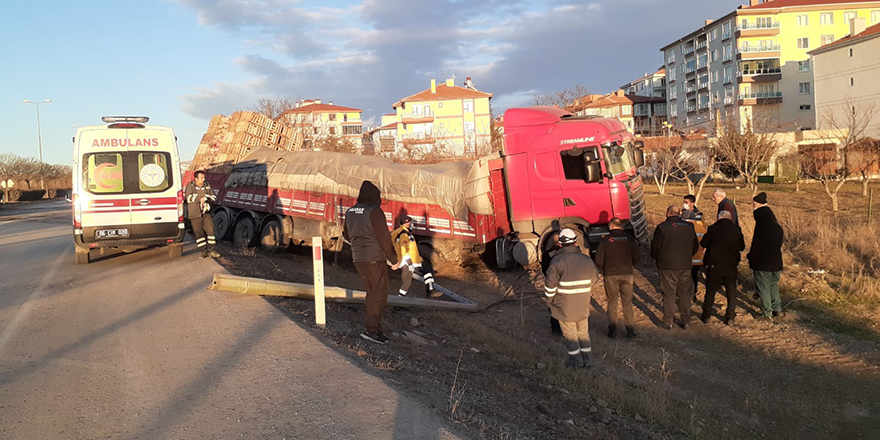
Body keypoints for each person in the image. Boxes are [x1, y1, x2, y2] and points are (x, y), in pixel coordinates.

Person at [343, 181, 399, 344]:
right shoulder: (374, 212)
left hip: (359, 259)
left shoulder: (350, 212)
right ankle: (372, 331)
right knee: (378, 294)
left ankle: (373, 328)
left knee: (372, 292)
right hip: (374, 258)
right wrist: (393, 259)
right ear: (375, 196)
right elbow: (384, 239)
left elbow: (347, 235)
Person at [543, 229, 599, 369]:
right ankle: (588, 361)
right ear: (575, 242)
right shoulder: (586, 259)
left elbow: (550, 287)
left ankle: (576, 362)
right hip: (583, 304)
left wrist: (550, 302)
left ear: (561, 244)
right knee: (583, 334)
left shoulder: (556, 261)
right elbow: (594, 279)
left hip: (564, 307)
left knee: (570, 336)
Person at [650, 205, 699, 329]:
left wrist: (657, 258)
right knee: (684, 294)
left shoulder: (662, 227)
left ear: (668, 213)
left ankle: (668, 321)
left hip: (667, 265)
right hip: (685, 265)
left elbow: (655, 247)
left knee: (669, 294)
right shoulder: (689, 227)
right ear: (679, 213)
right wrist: (688, 256)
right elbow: (695, 246)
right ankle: (686, 320)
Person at [595, 218, 640, 339]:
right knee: (627, 303)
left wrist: (605, 267)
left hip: (610, 274)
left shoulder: (604, 241)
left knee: (612, 303)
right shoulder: (630, 239)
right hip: (627, 273)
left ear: (610, 227)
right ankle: (630, 330)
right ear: (622, 227)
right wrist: (631, 265)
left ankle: (612, 330)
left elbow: (598, 260)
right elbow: (637, 256)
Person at [699, 211, 745, 325]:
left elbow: (703, 243)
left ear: (718, 218)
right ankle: (730, 317)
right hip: (731, 265)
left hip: (715, 265)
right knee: (731, 292)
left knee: (710, 291)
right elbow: (742, 247)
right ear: (730, 219)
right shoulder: (736, 230)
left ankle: (706, 315)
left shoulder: (713, 228)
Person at [747, 192, 785, 320]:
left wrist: (751, 257)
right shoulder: (777, 228)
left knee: (763, 287)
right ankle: (778, 309)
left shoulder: (762, 228)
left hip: (763, 263)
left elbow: (757, 246)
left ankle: (767, 312)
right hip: (776, 262)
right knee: (773, 286)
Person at [390, 216, 441, 298]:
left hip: (410, 262)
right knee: (407, 283)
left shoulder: (403, 232)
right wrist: (410, 263)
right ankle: (399, 303)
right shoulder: (404, 234)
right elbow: (404, 249)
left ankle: (430, 291)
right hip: (408, 263)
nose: (412, 224)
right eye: (410, 223)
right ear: (406, 224)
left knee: (409, 282)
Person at [185, 171, 220, 259]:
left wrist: (207, 200)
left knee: (210, 231)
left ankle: (212, 250)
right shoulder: (190, 187)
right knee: (199, 234)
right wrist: (200, 199)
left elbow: (214, 197)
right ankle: (203, 252)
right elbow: (188, 197)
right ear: (196, 179)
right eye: (201, 178)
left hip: (206, 213)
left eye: (204, 178)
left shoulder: (207, 186)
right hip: (195, 214)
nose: (204, 179)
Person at [681, 209, 707, 300]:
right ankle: (693, 294)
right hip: (698, 259)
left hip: (684, 259)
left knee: (684, 278)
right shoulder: (701, 228)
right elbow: (705, 244)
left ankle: (684, 295)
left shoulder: (683, 228)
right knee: (694, 277)